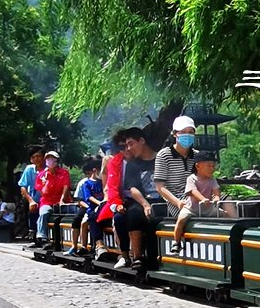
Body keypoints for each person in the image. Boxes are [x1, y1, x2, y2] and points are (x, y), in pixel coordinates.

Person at [108, 128, 160, 269]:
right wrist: (144, 204)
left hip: (163, 198)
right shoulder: (130, 164)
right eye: (125, 146)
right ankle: (136, 256)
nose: (128, 149)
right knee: (133, 214)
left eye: (130, 144)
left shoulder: (161, 159)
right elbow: (132, 188)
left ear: (142, 141)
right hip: (138, 199)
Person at [169, 151, 229, 256]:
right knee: (181, 219)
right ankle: (176, 242)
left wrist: (216, 198)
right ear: (198, 166)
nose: (212, 168)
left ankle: (228, 238)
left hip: (208, 209)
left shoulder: (212, 180)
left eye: (213, 166)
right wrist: (202, 199)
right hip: (191, 208)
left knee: (225, 214)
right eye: (209, 166)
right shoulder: (191, 178)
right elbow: (192, 192)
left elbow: (216, 191)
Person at [154, 115, 197, 230]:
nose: (187, 135)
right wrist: (178, 202)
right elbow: (160, 187)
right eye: (183, 132)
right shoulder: (164, 155)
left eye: (191, 132)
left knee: (228, 201)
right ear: (175, 134)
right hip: (176, 200)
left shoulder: (197, 155)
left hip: (199, 196)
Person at [35, 151, 72, 248]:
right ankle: (42, 237)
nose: (50, 160)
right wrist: (46, 184)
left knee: (72, 214)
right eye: (48, 158)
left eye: (52, 158)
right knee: (44, 213)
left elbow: (66, 186)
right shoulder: (42, 175)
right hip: (47, 201)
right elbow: (42, 192)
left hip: (61, 200)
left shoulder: (64, 173)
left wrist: (62, 199)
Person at [74, 159, 103, 254]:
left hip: (103, 206)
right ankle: (84, 246)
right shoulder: (86, 183)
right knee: (84, 222)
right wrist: (99, 203)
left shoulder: (103, 182)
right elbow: (88, 197)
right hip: (91, 207)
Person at [18, 146, 45, 242]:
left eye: (38, 156)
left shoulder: (48, 169)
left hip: (46, 199)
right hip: (33, 199)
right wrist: (31, 201)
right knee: (32, 216)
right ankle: (34, 238)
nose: (36, 159)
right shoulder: (29, 169)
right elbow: (23, 186)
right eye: (33, 157)